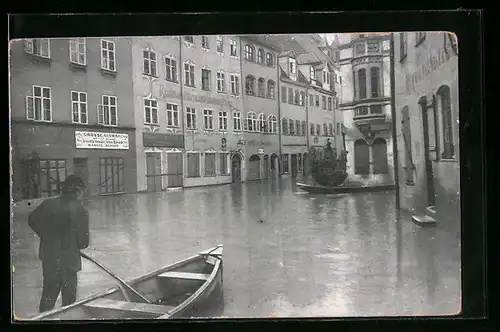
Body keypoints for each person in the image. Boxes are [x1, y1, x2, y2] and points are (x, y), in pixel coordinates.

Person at [28, 174, 90, 313]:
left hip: (49, 261)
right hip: (69, 264)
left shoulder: (47, 204)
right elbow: (84, 243)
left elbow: (32, 219)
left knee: (47, 300)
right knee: (69, 305)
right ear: (78, 190)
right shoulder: (81, 211)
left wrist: (45, 235)